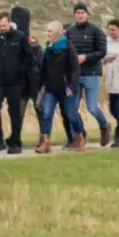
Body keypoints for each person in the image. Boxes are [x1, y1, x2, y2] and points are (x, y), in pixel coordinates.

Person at [0, 6, 35, 154]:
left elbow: (29, 58)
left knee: (14, 112)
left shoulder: (19, 37)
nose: (2, 28)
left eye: (4, 25)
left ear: (9, 23)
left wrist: (18, 70)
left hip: (15, 82)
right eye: (0, 26)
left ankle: (15, 142)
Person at [67, 4, 112, 147]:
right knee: (71, 109)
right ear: (74, 15)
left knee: (92, 107)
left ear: (87, 14)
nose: (80, 15)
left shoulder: (96, 31)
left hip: (91, 73)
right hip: (74, 75)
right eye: (77, 12)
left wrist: (85, 57)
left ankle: (104, 125)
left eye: (82, 12)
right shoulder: (69, 32)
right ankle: (78, 137)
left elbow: (102, 52)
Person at [34, 21, 82, 152]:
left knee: (72, 116)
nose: (47, 34)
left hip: (66, 89)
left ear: (58, 33)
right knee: (47, 114)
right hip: (51, 89)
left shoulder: (68, 48)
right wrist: (41, 86)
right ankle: (46, 143)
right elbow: (43, 69)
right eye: (47, 31)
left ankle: (79, 138)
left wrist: (71, 87)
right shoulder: (48, 48)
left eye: (50, 31)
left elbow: (75, 70)